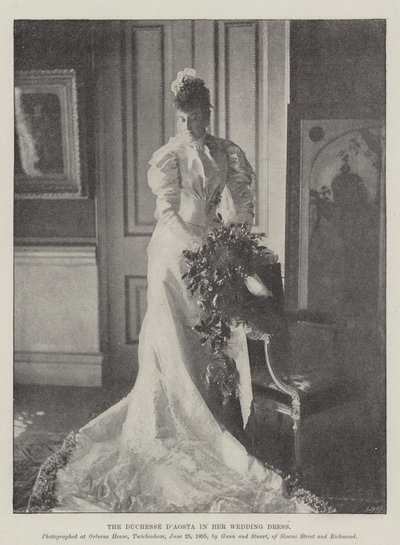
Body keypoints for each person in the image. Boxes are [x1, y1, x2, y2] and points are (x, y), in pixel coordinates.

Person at [28, 69, 319, 513]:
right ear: (177, 117)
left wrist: (231, 243)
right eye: (183, 119)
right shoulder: (169, 157)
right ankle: (175, 420)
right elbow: (169, 213)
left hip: (211, 251)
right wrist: (201, 245)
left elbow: (238, 204)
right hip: (173, 255)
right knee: (175, 339)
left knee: (211, 337)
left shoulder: (226, 152)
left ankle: (213, 417)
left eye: (197, 117)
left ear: (209, 113)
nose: (190, 127)